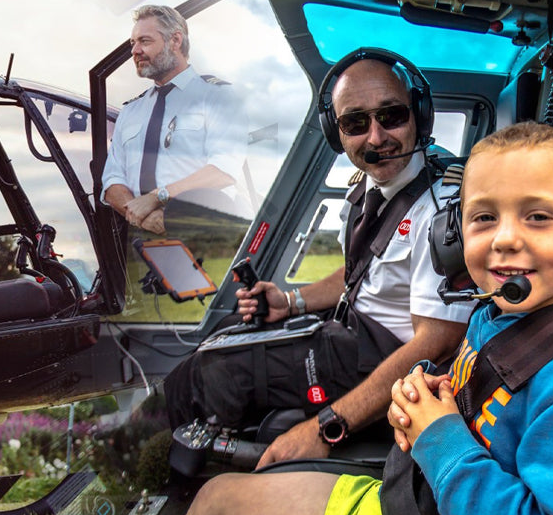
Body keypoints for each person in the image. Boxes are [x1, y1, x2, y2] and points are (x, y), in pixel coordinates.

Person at [180, 123, 553, 515]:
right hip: (420, 495)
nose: (505, 238)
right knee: (215, 497)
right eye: (484, 217)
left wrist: (439, 437)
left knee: (212, 513)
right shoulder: (495, 314)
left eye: (538, 216)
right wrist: (427, 394)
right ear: (452, 236)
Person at [163, 48, 472, 466]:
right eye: (355, 123)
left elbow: (437, 342)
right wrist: (291, 302)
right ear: (336, 132)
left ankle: (156, 475)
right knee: (227, 328)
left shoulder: (443, 209)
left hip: (387, 358)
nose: (376, 138)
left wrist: (324, 427)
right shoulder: (364, 190)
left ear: (419, 115)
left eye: (392, 115)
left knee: (208, 371)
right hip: (349, 332)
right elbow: (359, 272)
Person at [100, 4, 250, 234]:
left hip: (206, 234)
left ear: (175, 41)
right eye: (133, 43)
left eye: (145, 41)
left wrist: (158, 197)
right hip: (143, 239)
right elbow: (112, 181)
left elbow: (224, 169)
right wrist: (143, 218)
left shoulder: (218, 96)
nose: (135, 51)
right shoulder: (130, 111)